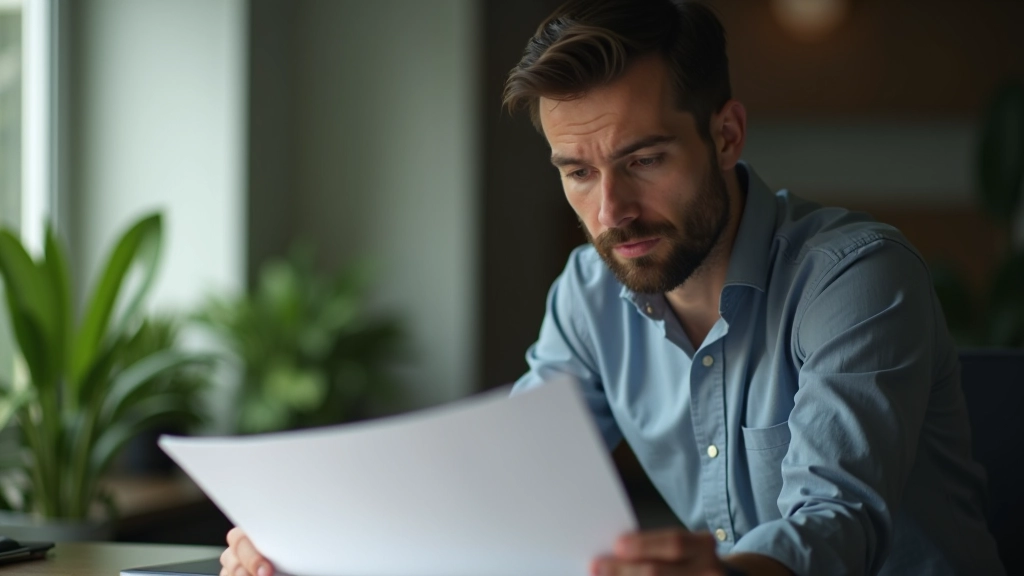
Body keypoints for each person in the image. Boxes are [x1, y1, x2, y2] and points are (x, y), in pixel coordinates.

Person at [220, 1, 1005, 575]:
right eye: (577, 172)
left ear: (726, 134)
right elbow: (504, 483)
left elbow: (837, 525)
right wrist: (322, 548)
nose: (610, 211)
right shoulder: (590, 292)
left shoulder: (857, 276)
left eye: (644, 159)